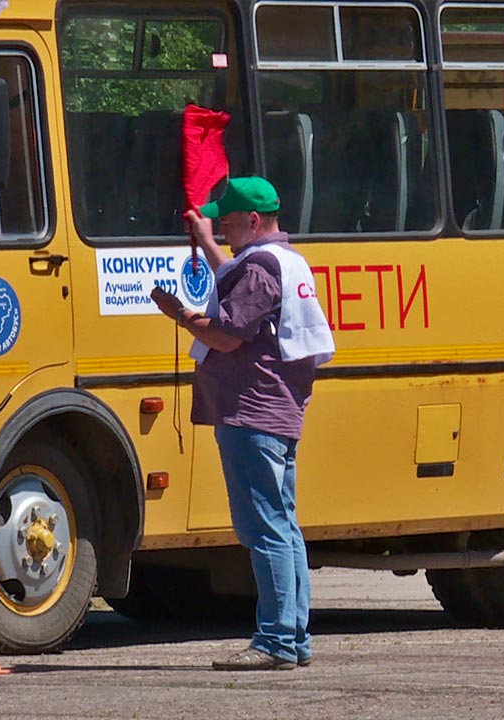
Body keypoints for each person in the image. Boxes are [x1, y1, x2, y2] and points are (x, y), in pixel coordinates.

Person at [150, 176, 335, 671]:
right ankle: (293, 638)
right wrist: (208, 242)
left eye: (229, 222)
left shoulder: (261, 268)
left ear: (254, 221)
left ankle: (275, 640)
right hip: (276, 409)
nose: (224, 229)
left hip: (251, 410)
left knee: (264, 527)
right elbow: (238, 277)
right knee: (284, 525)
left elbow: (230, 333)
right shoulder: (283, 260)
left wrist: (182, 315)